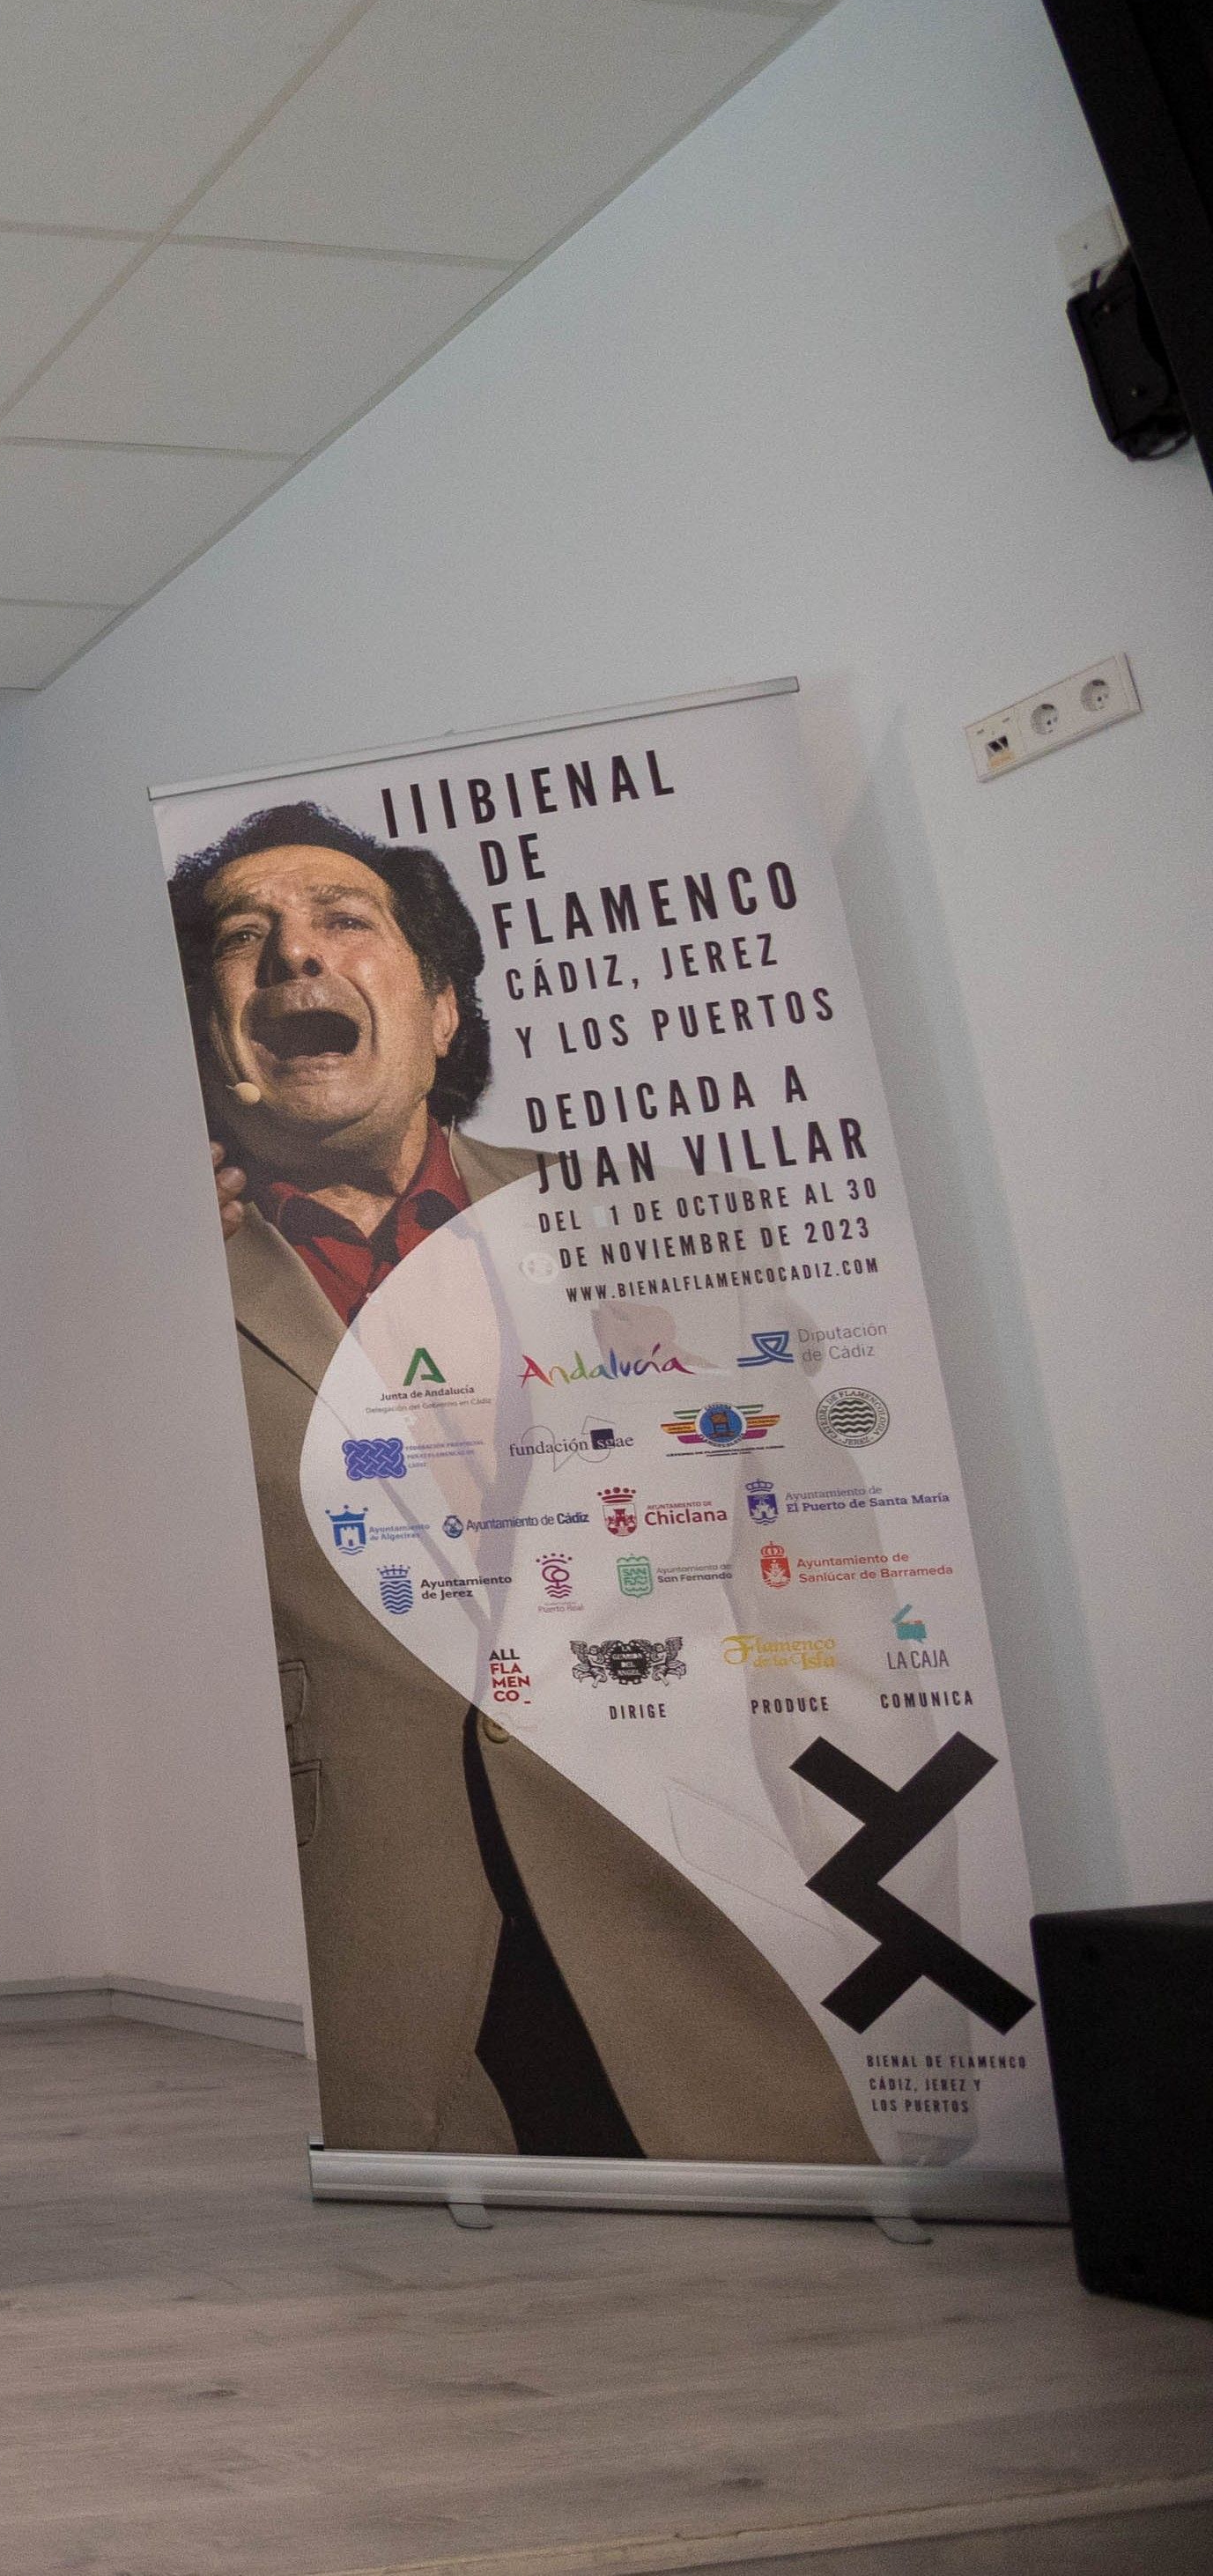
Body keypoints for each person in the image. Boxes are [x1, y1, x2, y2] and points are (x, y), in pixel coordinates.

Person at [173, 803, 868, 2164]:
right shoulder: (151, 1281)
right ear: (206, 1037)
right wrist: (141, 1277)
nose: (290, 957)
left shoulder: (664, 1234)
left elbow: (821, 1595)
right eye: (243, 941)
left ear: (439, 1011)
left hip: (701, 1924)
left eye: (341, 919)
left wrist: (871, 1917)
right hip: (375, 1967)